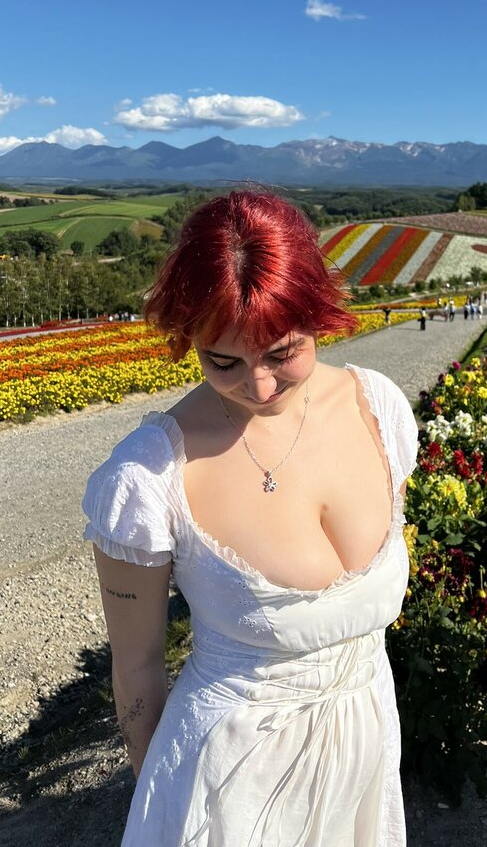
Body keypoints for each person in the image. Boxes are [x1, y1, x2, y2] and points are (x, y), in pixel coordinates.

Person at [82, 190, 418, 846]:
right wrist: (162, 806)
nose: (259, 386)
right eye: (223, 361)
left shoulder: (379, 411)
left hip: (367, 747)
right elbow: (138, 673)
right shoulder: (147, 478)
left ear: (318, 314)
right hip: (228, 786)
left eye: (282, 352)